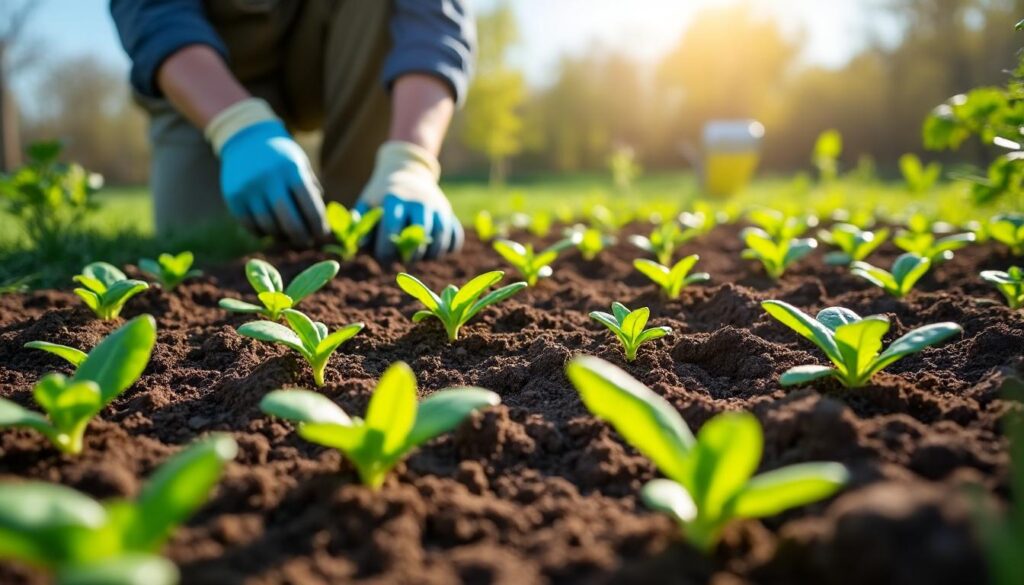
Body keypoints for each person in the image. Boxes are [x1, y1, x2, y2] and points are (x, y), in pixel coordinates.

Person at [110, 0, 475, 261]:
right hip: (207, 71)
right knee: (207, 247)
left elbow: (434, 23)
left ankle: (357, 220)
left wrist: (410, 160)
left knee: (374, 241)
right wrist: (235, 127)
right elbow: (153, 14)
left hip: (337, 44)